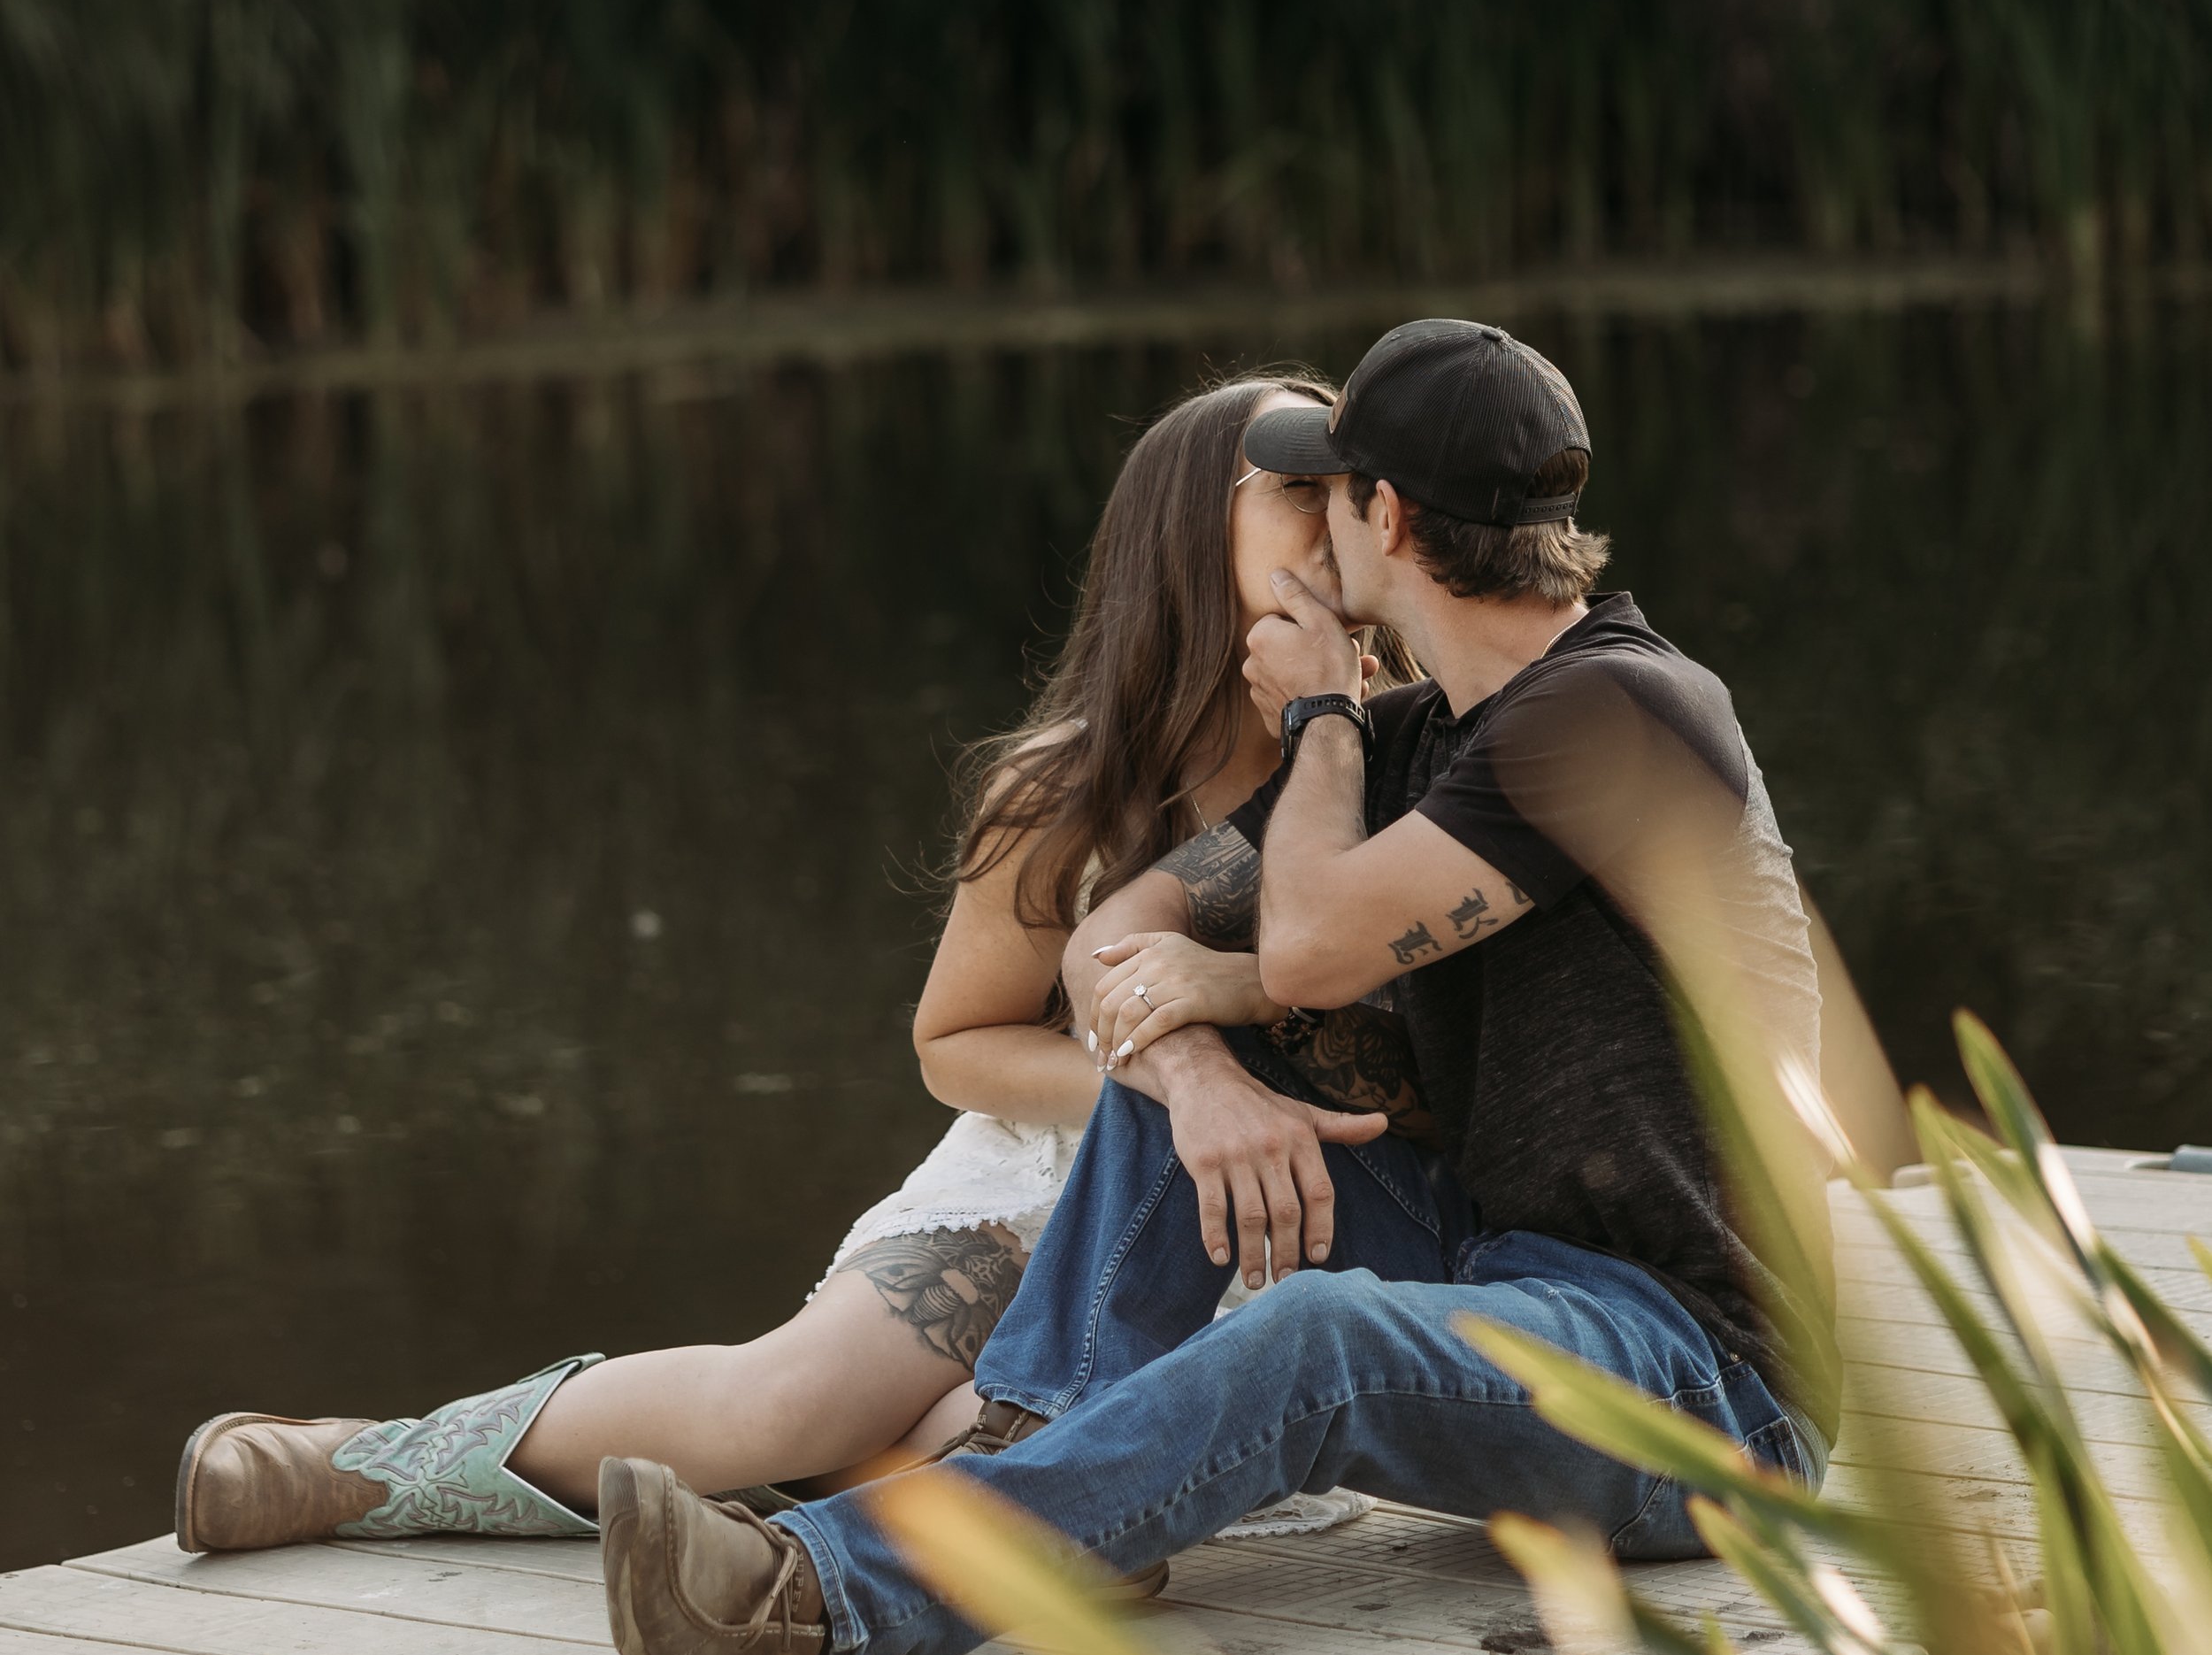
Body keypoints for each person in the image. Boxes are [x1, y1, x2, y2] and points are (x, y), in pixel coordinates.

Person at [591, 317, 1842, 1655]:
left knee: (1316, 1336)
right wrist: (1200, 1071)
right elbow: (1116, 942)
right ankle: (1043, 1449)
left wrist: (1317, 723)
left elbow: (1305, 944)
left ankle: (805, 1598)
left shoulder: (1623, 710)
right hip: (1501, 1262)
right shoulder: (1427, 739)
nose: (1316, 525)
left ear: (1392, 515)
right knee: (1200, 1061)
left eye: (1331, 488)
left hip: (1704, 1383)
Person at [173, 369, 1425, 1559]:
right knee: (785, 1400)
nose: (1339, 521)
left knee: (1139, 1473)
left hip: (1277, 1222)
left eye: (1354, 492)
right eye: (1295, 491)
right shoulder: (1064, 791)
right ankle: (358, 1463)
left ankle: (889, 1468)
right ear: (1181, 534)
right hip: (1038, 1175)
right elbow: (956, 1044)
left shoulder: (1406, 763)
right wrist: (1157, 1093)